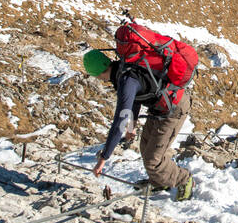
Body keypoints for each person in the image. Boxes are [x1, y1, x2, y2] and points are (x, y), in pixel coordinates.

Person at [83, 46, 195, 201]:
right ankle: (159, 181)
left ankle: (184, 179)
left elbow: (119, 122)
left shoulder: (125, 79)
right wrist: (132, 127)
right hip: (161, 107)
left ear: (98, 74)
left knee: (153, 159)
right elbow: (136, 98)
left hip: (174, 108)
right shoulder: (123, 69)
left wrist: (103, 158)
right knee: (145, 146)